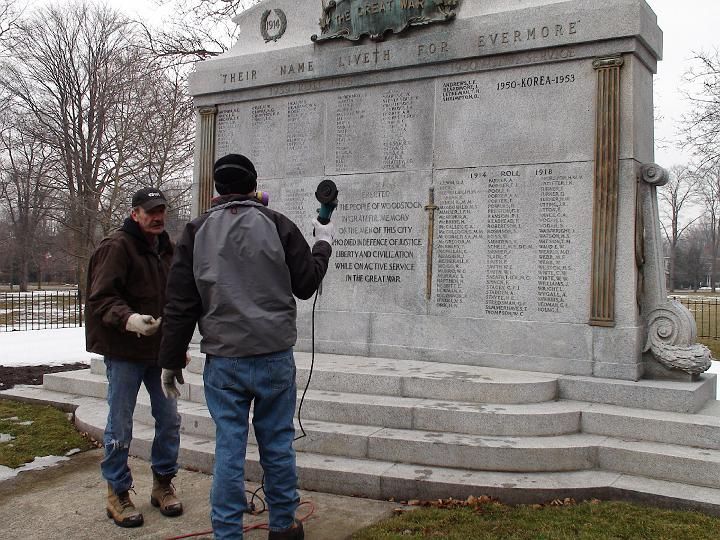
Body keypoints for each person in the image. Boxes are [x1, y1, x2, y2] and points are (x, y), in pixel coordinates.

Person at [158, 153, 333, 540]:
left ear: (219, 189)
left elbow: (181, 303)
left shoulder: (195, 231)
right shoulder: (277, 224)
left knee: (229, 451)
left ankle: (226, 532)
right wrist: (323, 244)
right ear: (254, 186)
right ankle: (284, 524)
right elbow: (305, 284)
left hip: (225, 361)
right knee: (277, 444)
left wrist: (170, 359)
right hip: (272, 357)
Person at [85, 187, 183, 528]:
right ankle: (117, 492)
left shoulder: (166, 248)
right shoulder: (116, 247)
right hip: (124, 352)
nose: (157, 217)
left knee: (169, 419)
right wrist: (129, 319)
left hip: (159, 355)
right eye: (149, 211)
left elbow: (174, 302)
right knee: (120, 423)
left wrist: (177, 347)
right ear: (134, 214)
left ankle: (162, 485)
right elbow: (101, 298)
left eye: (161, 210)